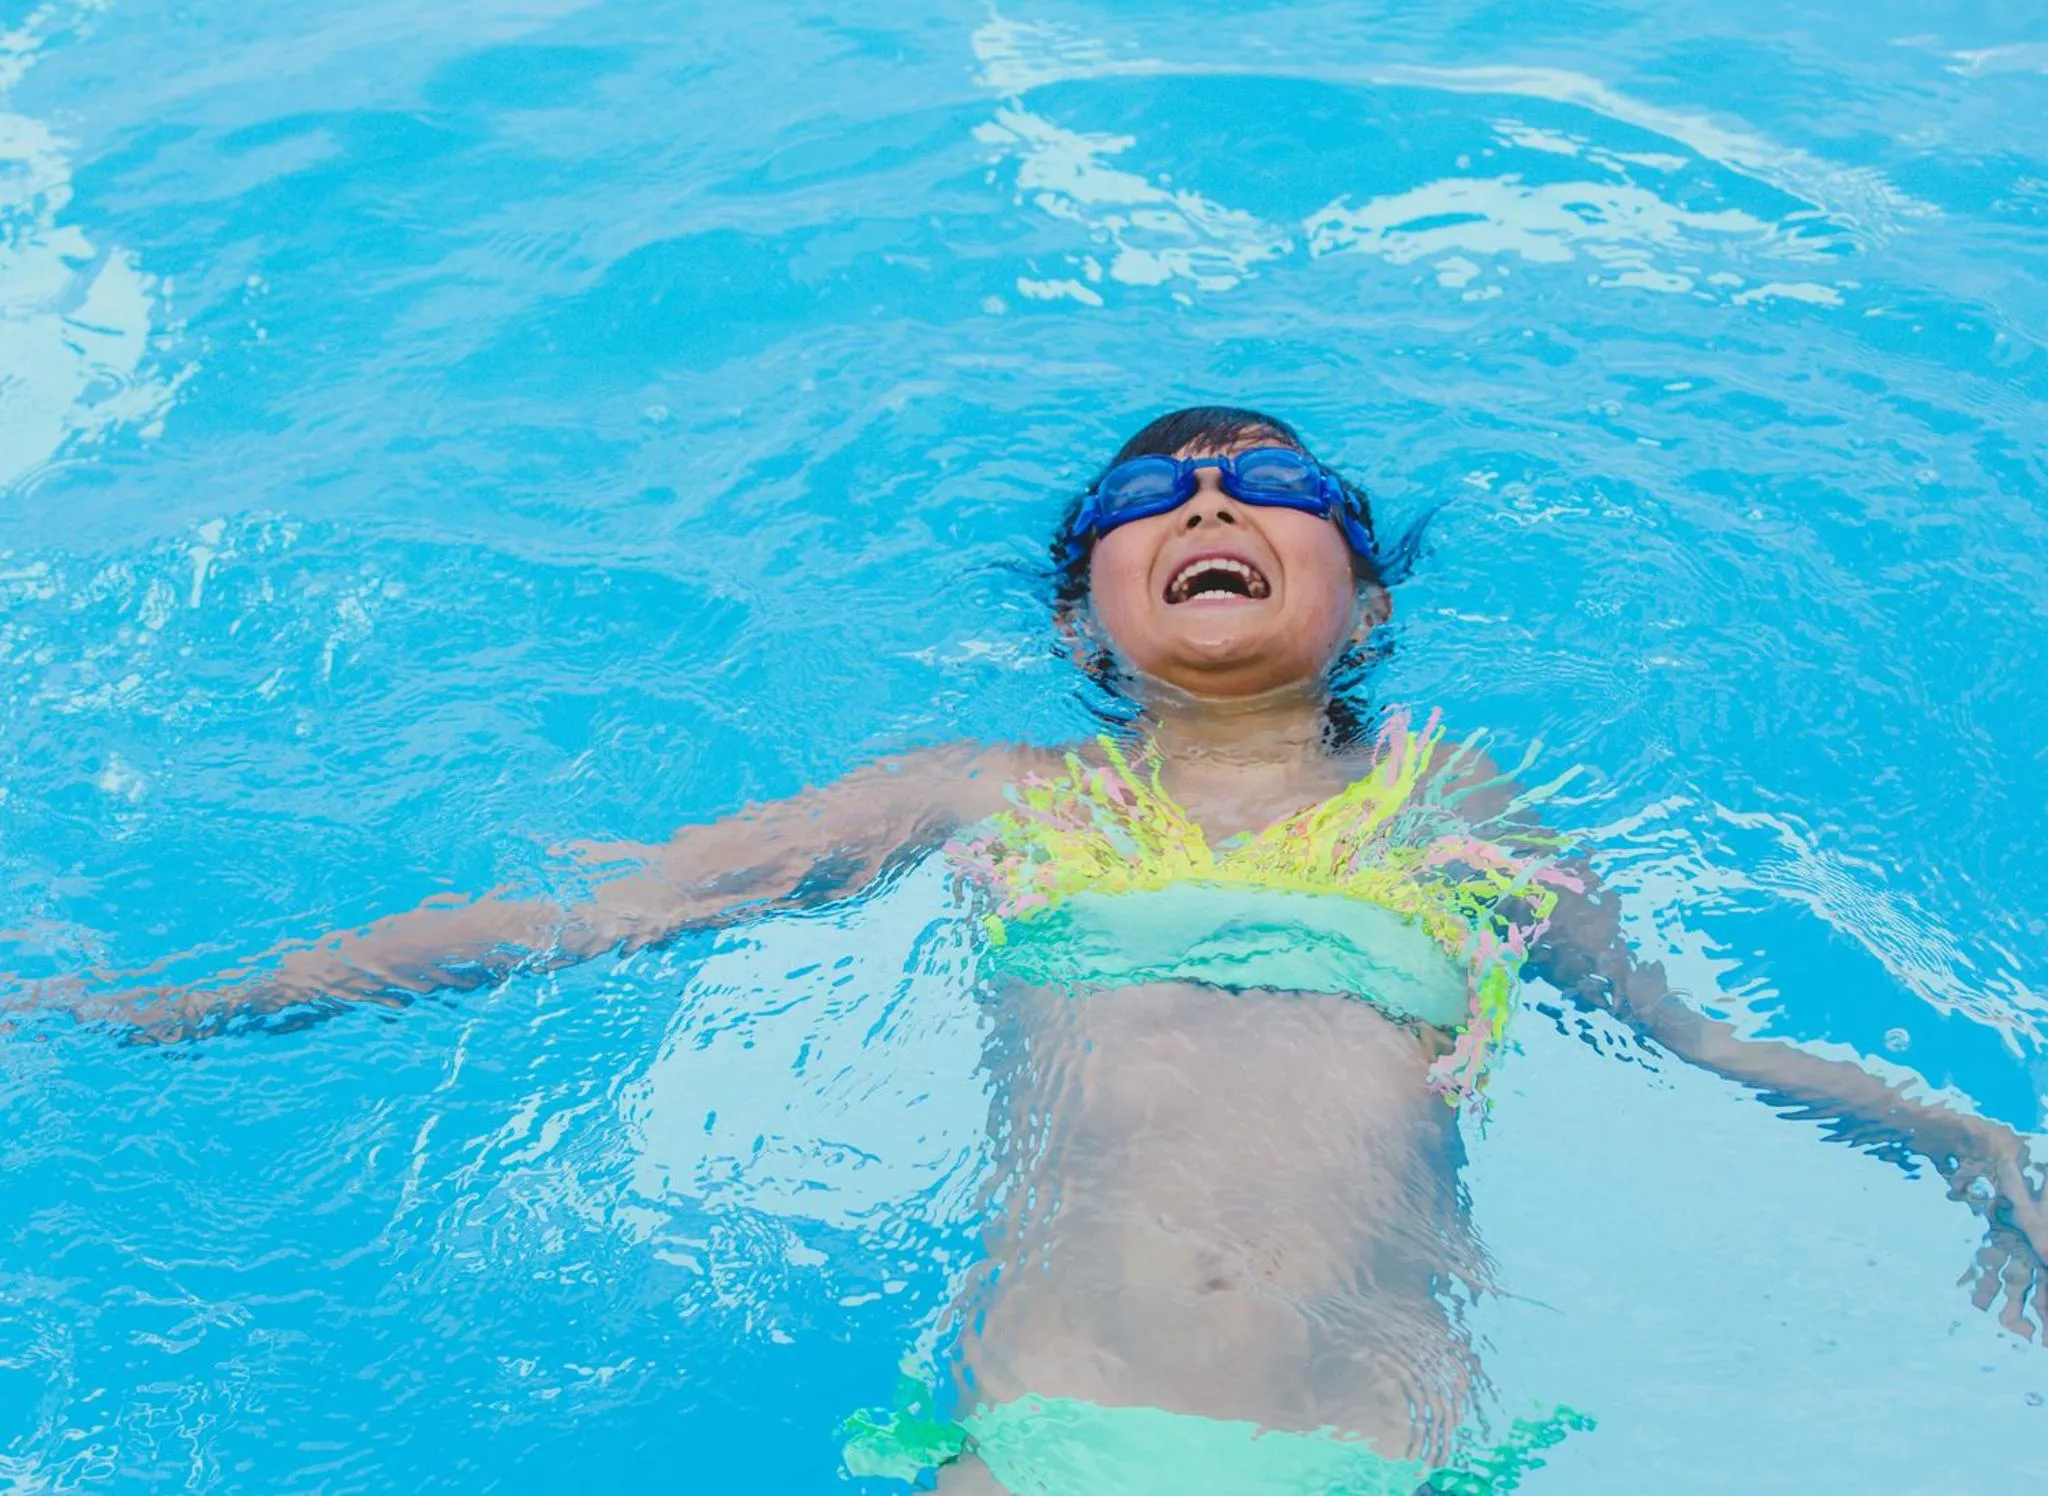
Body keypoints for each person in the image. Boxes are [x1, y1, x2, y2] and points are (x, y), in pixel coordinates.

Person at [17, 406, 2048, 1493]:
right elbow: (592, 919)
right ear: (1086, 623)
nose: (1205, 498)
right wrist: (195, 1004)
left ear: (1366, 604)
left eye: (1270, 483)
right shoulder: (995, 795)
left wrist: (1972, 1147)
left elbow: (1691, 1043)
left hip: (1372, 1451)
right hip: (1037, 1439)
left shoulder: (1455, 810)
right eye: (1145, 493)